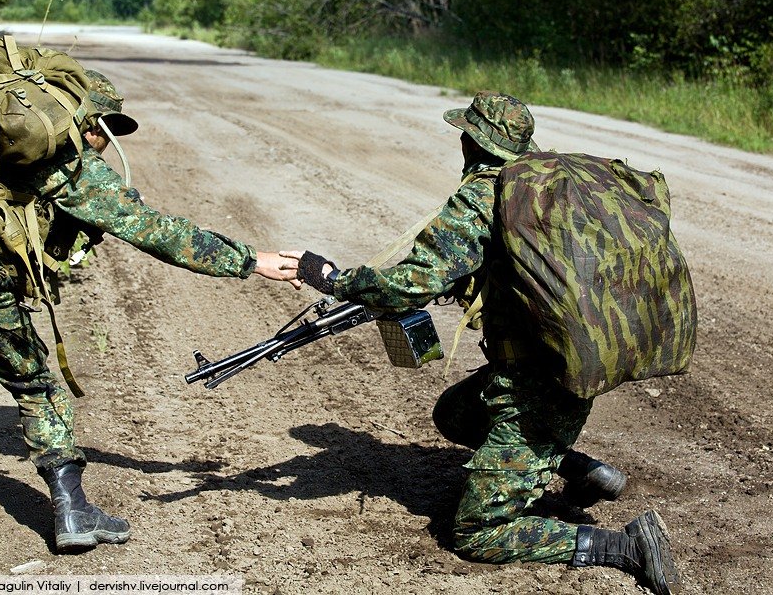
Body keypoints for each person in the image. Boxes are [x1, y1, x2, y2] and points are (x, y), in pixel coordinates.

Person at [285, 92, 680, 594]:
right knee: (455, 415)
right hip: (563, 363)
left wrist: (332, 278)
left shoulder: (484, 198)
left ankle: (625, 546)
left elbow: (411, 282)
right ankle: (580, 468)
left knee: (476, 532)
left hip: (539, 390)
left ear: (473, 142)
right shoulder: (546, 184)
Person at [0, 69, 299, 552]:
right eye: (105, 131)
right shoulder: (68, 165)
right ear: (89, 124)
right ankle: (73, 512)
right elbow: (156, 230)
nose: (105, 143)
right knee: (36, 388)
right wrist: (253, 260)